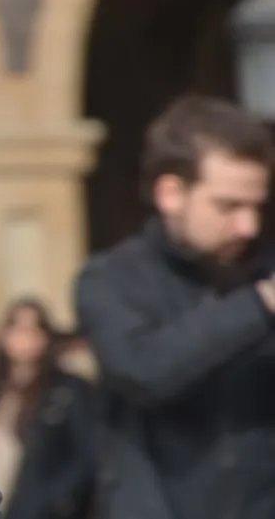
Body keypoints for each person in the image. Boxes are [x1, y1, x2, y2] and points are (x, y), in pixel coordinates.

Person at [76, 95, 275, 519]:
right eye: (228, 206)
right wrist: (258, 305)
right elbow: (143, 370)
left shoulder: (264, 269)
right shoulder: (111, 280)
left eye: (257, 206)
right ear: (171, 193)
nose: (249, 226)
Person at [0, 298, 94, 519]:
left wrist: (54, 503)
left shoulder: (65, 389)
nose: (24, 337)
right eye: (17, 327)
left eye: (32, 329)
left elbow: (85, 457)